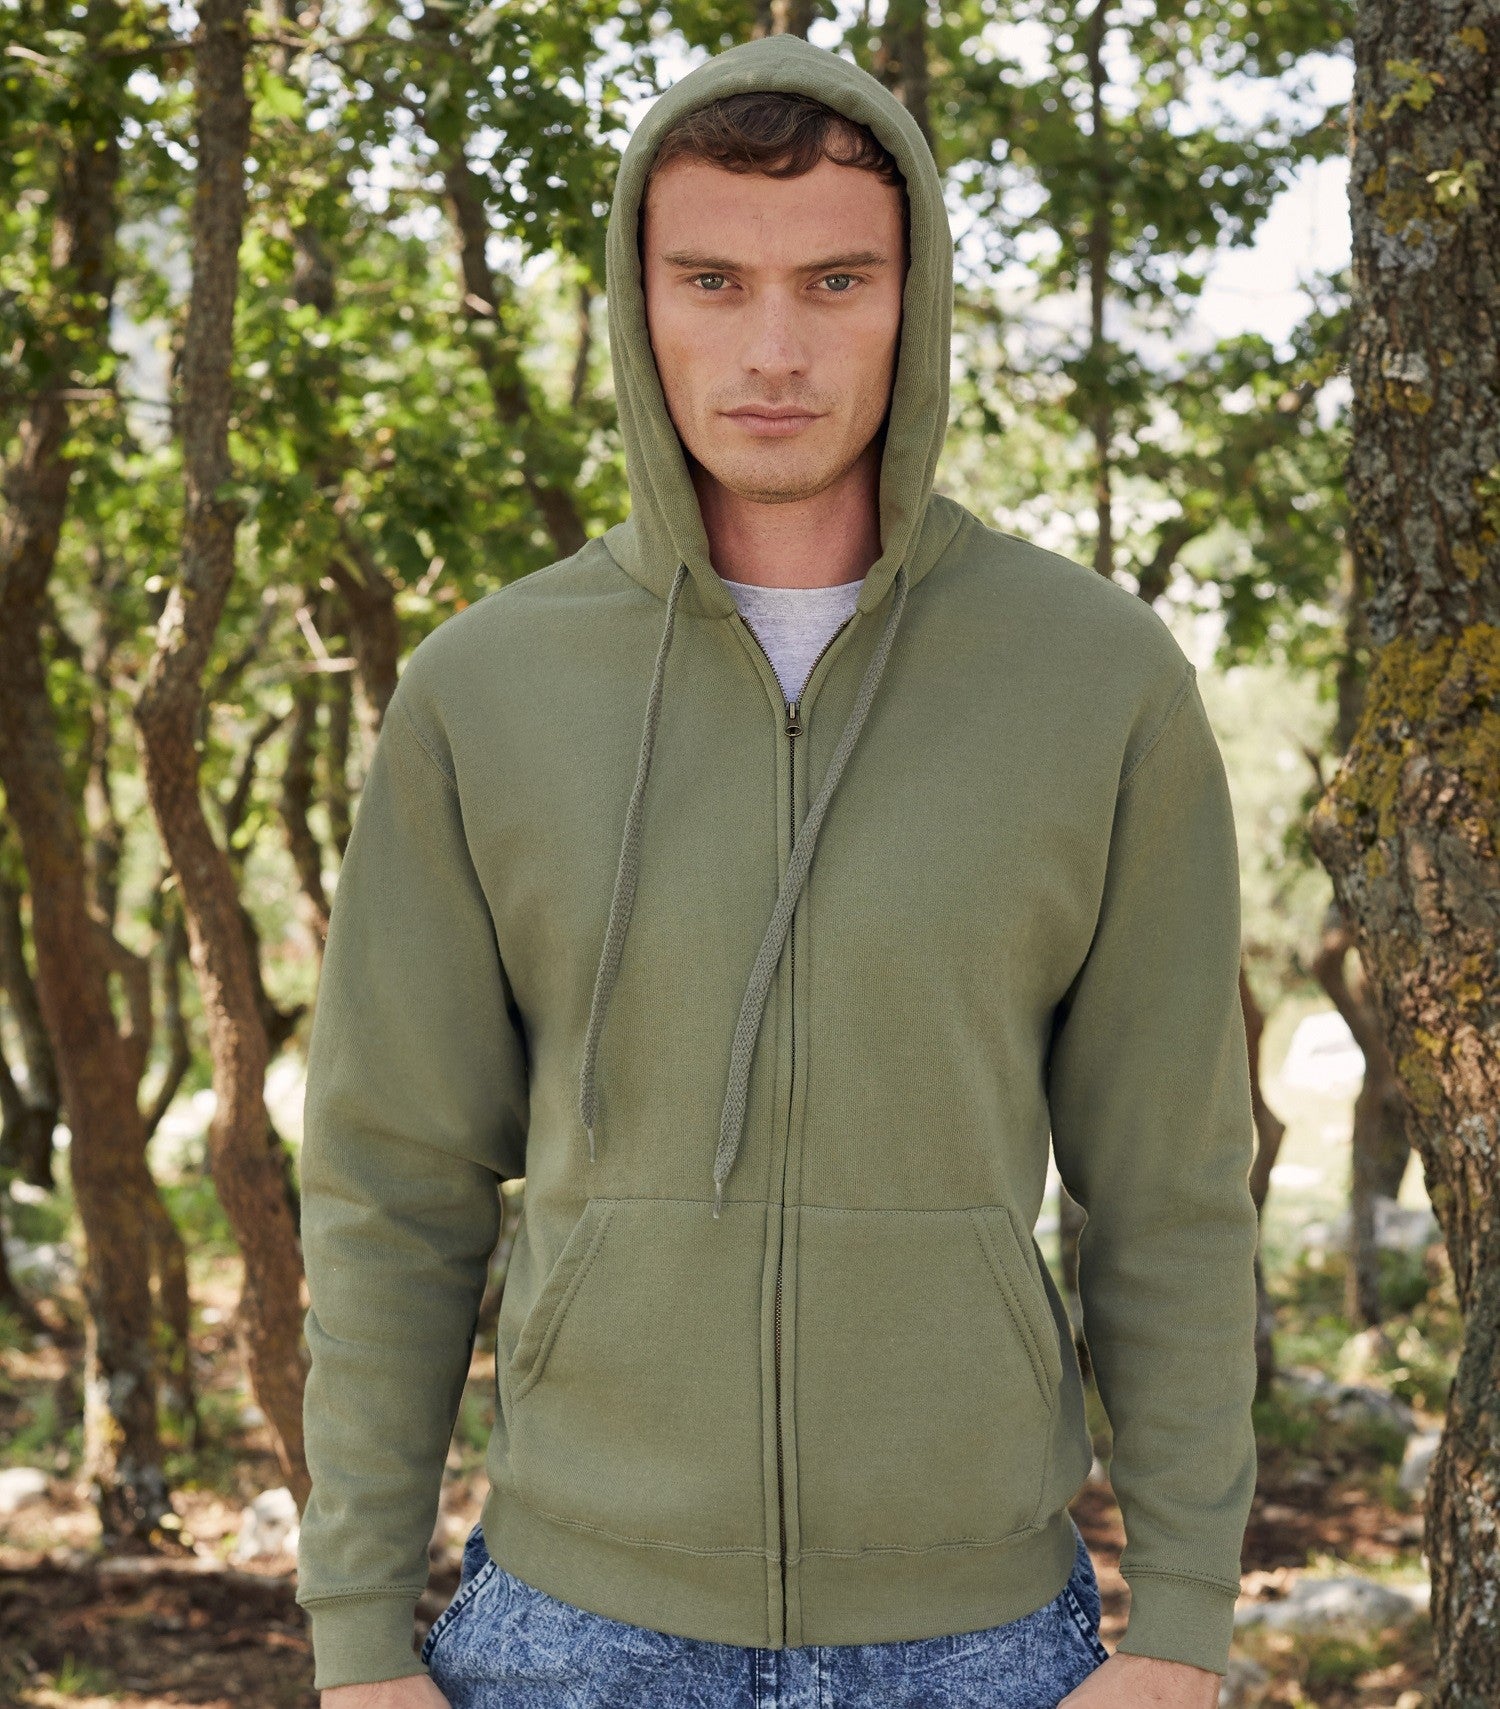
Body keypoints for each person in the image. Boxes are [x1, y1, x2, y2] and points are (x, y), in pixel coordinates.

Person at [295, 32, 1259, 1709]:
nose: (772, 349)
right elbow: (392, 1187)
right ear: (638, 302)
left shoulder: (1097, 681)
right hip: (567, 1631)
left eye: (835, 281)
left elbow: (1171, 1186)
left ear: (914, 302)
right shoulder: (484, 691)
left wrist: (1182, 1624)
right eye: (712, 280)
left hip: (981, 1637)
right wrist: (360, 1638)